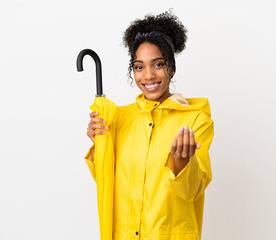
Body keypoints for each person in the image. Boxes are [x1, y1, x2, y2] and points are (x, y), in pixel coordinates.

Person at [85, 11, 214, 240]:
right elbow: (108, 182)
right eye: (139, 67)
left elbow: (193, 190)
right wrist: (99, 144)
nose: (148, 75)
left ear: (171, 68)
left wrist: (182, 164)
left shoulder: (195, 121)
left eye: (158, 64)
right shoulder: (119, 118)